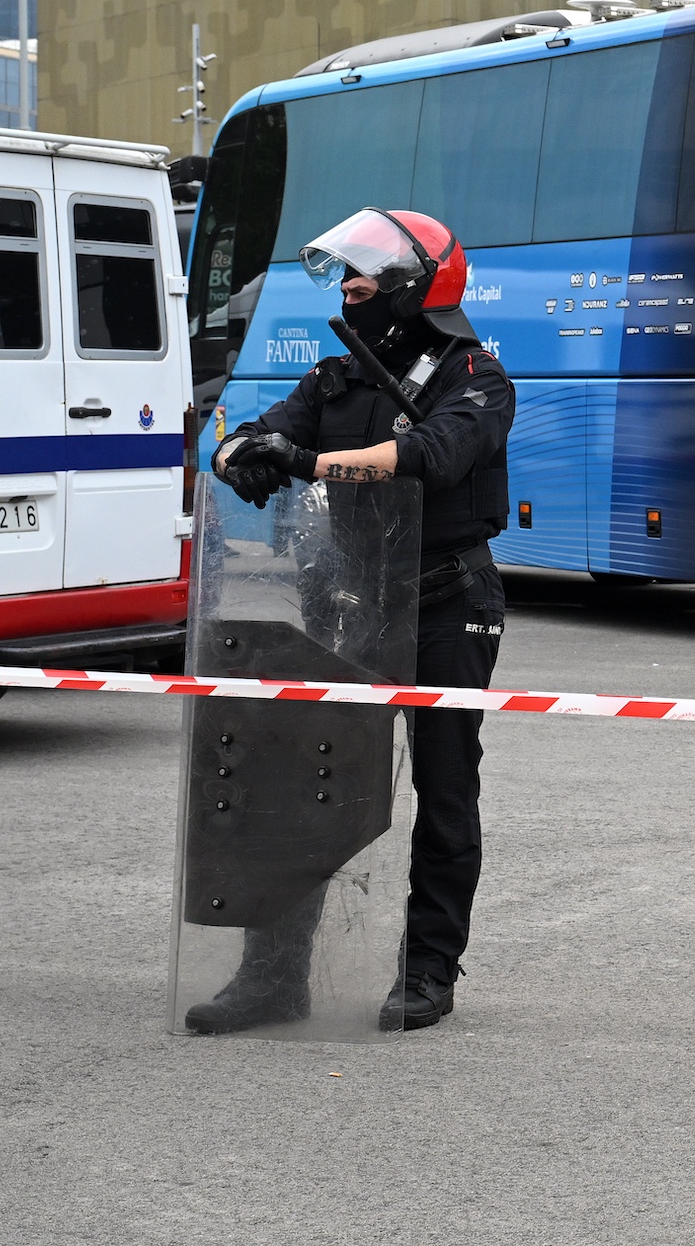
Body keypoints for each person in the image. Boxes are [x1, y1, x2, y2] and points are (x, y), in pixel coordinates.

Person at [196, 207, 515, 1033]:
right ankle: (272, 979)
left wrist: (303, 462)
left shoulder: (475, 377)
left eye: (363, 277)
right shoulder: (336, 380)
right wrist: (246, 459)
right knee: (305, 783)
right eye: (343, 275)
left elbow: (431, 457)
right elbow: (253, 440)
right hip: (352, 600)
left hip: (449, 602)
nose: (348, 288)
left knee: (445, 790)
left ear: (412, 287)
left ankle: (428, 971)